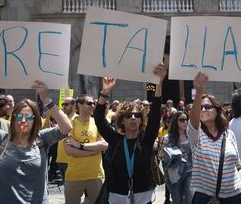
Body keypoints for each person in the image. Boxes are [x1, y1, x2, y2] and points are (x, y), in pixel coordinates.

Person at [0, 63, 72, 203]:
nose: (23, 121)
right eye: (18, 116)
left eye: (28, 117)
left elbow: (66, 128)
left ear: (35, 121)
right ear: (12, 117)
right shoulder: (2, 139)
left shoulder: (42, 139)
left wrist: (46, 99)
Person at [93, 64, 166, 204]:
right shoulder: (115, 139)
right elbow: (99, 120)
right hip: (117, 194)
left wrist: (159, 83)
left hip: (143, 194)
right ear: (122, 120)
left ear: (141, 120)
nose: (133, 118)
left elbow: (156, 114)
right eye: (128, 115)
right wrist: (105, 91)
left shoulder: (146, 139)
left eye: (137, 115)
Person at [188, 72, 241, 204]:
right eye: (200, 107)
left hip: (234, 195)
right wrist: (199, 92)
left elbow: (238, 165)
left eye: (207, 107)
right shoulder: (196, 134)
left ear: (217, 110)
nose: (203, 110)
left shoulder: (229, 134)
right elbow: (193, 121)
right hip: (206, 198)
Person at [63, 94, 108, 204]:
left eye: (93, 103)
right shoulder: (70, 124)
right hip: (74, 176)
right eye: (89, 103)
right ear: (79, 105)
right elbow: (69, 150)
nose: (93, 105)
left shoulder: (98, 123)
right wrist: (94, 150)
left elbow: (104, 145)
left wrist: (80, 146)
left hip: (96, 175)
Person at [159, 111, 193, 204]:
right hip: (174, 173)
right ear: (175, 122)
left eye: (186, 120)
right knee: (177, 201)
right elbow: (160, 155)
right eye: (182, 120)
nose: (185, 122)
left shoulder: (191, 136)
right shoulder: (167, 138)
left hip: (189, 171)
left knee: (190, 199)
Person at [56, 97, 77, 183]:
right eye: (63, 104)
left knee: (73, 189)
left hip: (72, 159)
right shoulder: (62, 119)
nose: (64, 106)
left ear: (74, 106)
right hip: (61, 159)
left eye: (66, 104)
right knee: (67, 189)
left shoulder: (77, 119)